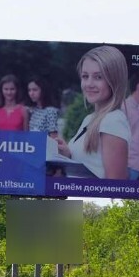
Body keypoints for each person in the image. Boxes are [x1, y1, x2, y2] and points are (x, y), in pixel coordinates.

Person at [53, 45, 130, 180]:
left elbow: (116, 187)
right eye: (85, 76)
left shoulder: (113, 120)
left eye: (98, 77)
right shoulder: (90, 118)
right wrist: (68, 154)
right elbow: (92, 165)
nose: (89, 84)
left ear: (114, 80)